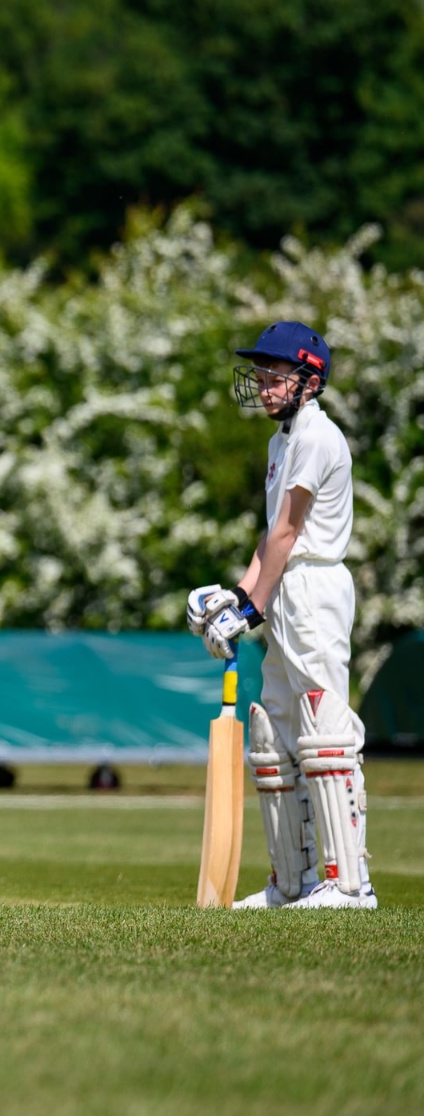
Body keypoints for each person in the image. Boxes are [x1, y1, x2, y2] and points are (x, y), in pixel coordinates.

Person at [187, 321, 374, 910]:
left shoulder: (319, 438)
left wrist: (252, 607)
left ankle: (348, 885)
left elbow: (292, 534)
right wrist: (234, 599)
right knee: (277, 737)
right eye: (261, 374)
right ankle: (289, 885)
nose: (264, 385)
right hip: (286, 583)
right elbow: (270, 539)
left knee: (325, 735)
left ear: (309, 381)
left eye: (275, 375)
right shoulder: (279, 443)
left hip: (315, 586)